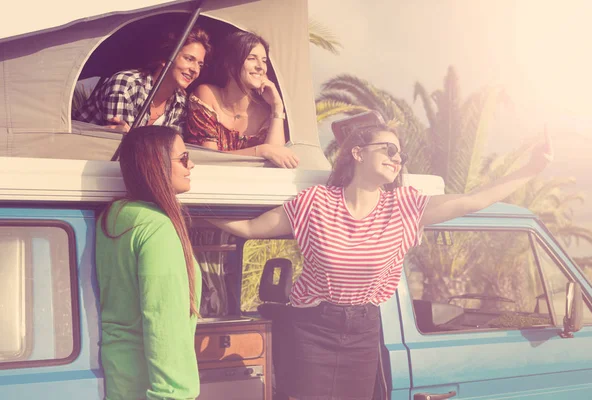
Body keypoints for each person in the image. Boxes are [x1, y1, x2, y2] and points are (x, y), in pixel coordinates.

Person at [208, 116, 553, 399]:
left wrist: (531, 169)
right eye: (388, 149)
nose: (397, 157)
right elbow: (251, 228)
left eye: (400, 153)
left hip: (362, 329)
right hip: (311, 328)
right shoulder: (316, 202)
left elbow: (474, 201)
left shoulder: (404, 206)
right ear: (357, 153)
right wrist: (174, 199)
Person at [96, 125, 200, 399]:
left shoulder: (114, 216)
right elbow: (163, 321)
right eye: (184, 158)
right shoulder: (157, 227)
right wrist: (173, 394)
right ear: (157, 164)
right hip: (152, 389)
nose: (192, 165)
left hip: (119, 379)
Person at [185, 31, 299, 169]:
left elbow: (277, 161)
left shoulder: (265, 113)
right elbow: (211, 159)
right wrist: (262, 151)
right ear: (230, 65)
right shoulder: (207, 95)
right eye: (252, 58)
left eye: (264, 61)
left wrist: (277, 107)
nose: (260, 67)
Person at [73, 27, 211, 133]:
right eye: (189, 59)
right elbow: (125, 145)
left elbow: (168, 148)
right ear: (165, 58)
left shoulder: (180, 103)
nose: (195, 70)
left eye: (200, 64)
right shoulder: (127, 84)